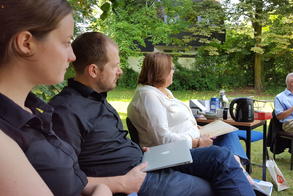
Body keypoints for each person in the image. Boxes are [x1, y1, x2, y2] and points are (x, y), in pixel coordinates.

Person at [49, 32, 255, 196]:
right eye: (116, 66)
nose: (120, 71)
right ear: (93, 70)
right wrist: (119, 183)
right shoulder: (66, 110)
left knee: (220, 156)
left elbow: (107, 143)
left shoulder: (98, 100)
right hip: (134, 177)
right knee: (215, 185)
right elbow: (65, 179)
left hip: (149, 160)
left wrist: (140, 150)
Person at [0, 0, 113, 195]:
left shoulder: (33, 112)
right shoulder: (6, 135)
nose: (73, 56)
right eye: (67, 42)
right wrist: (103, 190)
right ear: (26, 43)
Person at [127, 52, 253, 183]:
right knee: (222, 154)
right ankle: (243, 177)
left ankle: (240, 172)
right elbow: (162, 139)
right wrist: (197, 143)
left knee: (228, 133)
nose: (173, 72)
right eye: (171, 68)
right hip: (174, 153)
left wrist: (196, 127)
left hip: (191, 140)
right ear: (161, 71)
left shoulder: (162, 92)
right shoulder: (148, 96)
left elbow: (174, 123)